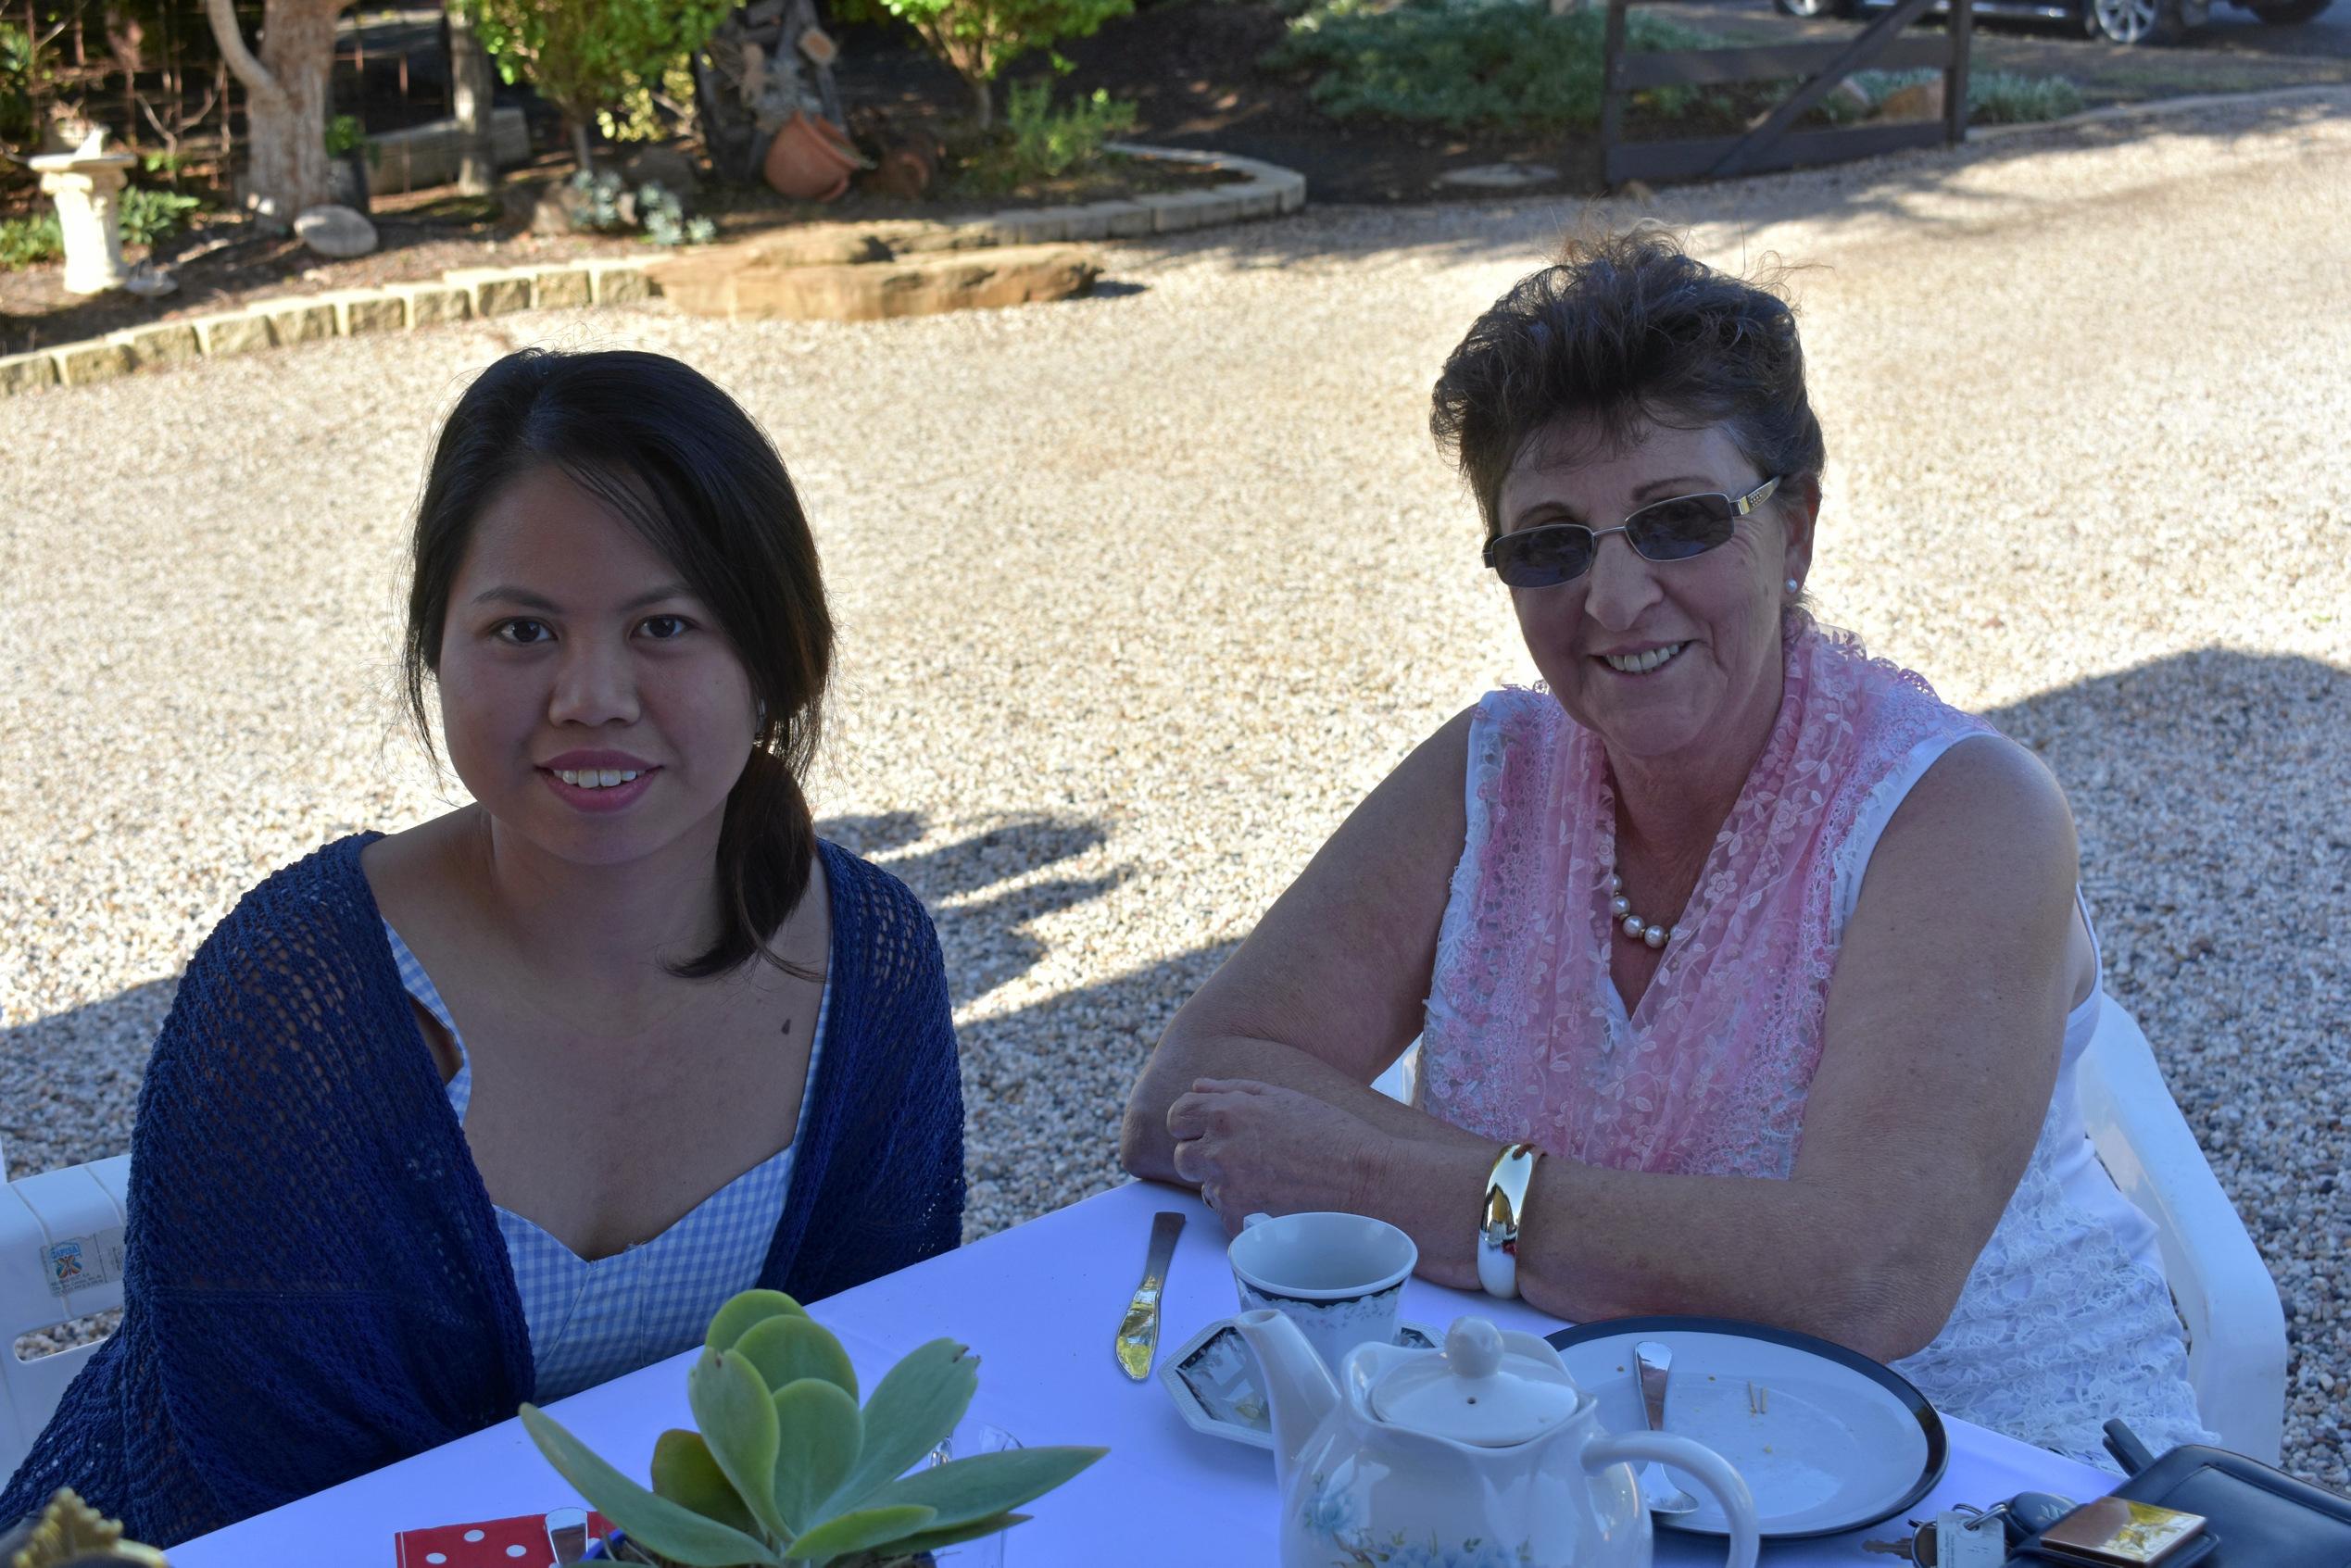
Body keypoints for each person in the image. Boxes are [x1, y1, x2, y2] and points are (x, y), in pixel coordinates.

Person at [1121, 229, 2213, 1466]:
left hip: (1980, 1470)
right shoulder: (1490, 773)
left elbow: (1867, 1277)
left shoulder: (1960, 815)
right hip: (1561, 1448)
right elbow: (1185, 1097)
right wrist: (1623, 1234)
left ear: (1792, 528)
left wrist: (1391, 1182)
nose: (1614, 596)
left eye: (1678, 521)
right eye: (1547, 543)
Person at [1, 349, 965, 1546]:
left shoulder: (868, 966)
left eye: (664, 623)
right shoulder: (300, 999)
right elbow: (269, 1497)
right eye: (522, 629)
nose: (590, 694)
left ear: (774, 653)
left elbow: (862, 1394)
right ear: (438, 651)